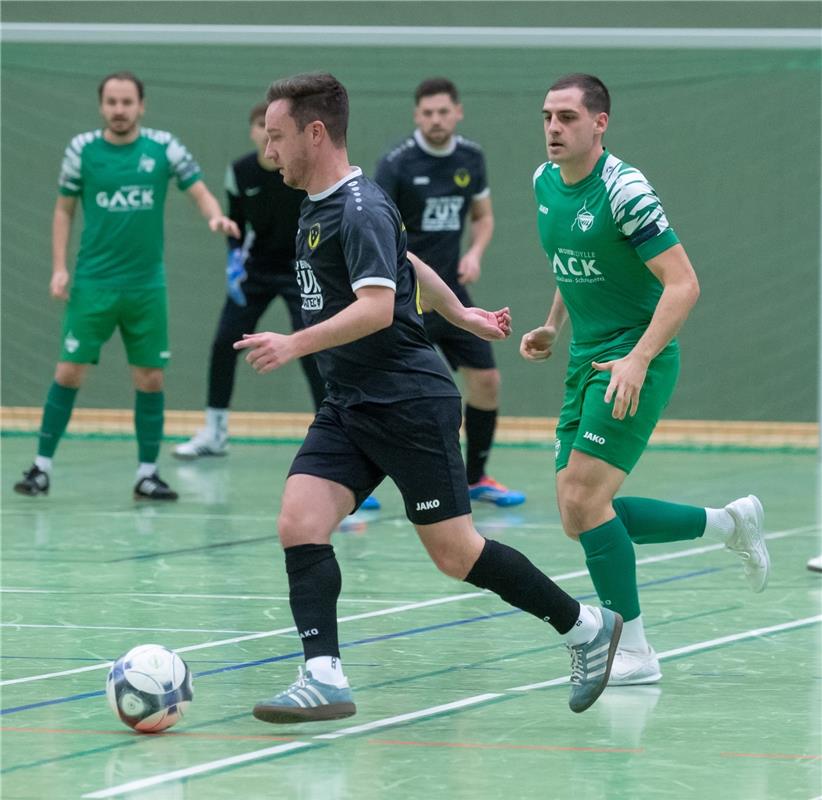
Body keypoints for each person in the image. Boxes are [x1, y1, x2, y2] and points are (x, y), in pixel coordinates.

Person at [234, 72, 622, 721]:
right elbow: (406, 261)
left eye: (277, 137)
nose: (270, 151)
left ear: (315, 132)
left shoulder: (357, 206)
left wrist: (294, 344)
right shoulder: (322, 202)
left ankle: (585, 627)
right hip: (351, 400)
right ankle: (324, 676)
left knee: (457, 555)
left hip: (409, 402)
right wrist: (462, 314)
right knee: (300, 522)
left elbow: (378, 307)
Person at [520, 73, 771, 685]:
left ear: (599, 123)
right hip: (586, 357)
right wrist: (554, 325)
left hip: (638, 357)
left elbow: (684, 284)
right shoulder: (544, 182)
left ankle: (633, 651)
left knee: (585, 500)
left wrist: (636, 359)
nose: (554, 128)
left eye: (568, 118)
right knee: (578, 514)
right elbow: (575, 264)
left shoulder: (625, 190)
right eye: (548, 116)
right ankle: (730, 523)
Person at [13, 71, 239, 501]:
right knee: (68, 371)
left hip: (145, 288)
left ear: (141, 105)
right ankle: (40, 467)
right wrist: (59, 268)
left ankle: (147, 474)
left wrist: (214, 215)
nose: (119, 110)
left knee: (151, 379)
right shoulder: (81, 151)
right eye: (112, 102)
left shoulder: (163, 148)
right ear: (102, 106)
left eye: (127, 102)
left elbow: (197, 189)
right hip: (94, 284)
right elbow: (63, 211)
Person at [374, 78, 524, 508]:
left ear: (458, 112)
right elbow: (376, 228)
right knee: (394, 392)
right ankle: (362, 481)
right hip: (406, 296)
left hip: (453, 295)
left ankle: (476, 477)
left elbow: (483, 216)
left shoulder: (471, 157)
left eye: (443, 111)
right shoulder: (396, 163)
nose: (436, 120)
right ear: (416, 116)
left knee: (487, 381)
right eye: (427, 113)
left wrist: (475, 252)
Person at [174, 102, 326, 461]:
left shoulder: (300, 169)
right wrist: (234, 258)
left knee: (310, 346)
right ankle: (215, 431)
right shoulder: (239, 172)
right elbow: (236, 225)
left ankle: (330, 429)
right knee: (226, 340)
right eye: (260, 125)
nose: (266, 133)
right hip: (254, 270)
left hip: (299, 268)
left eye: (273, 128)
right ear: (254, 131)